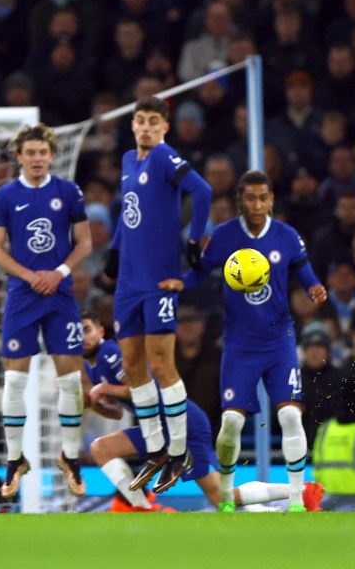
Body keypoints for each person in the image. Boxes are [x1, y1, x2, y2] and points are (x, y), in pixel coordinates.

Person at [174, 170, 327, 512]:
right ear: (240, 200)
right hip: (240, 344)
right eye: (250, 198)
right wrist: (178, 284)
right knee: (231, 422)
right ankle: (226, 496)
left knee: (289, 416)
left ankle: (297, 498)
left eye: (263, 197)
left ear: (271, 199)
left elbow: (305, 271)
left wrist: (314, 286)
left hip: (278, 340)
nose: (257, 204)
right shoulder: (225, 236)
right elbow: (199, 273)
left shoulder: (286, 236)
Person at [80, 314, 324, 512]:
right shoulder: (92, 368)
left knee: (221, 497)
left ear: (101, 332)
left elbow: (149, 391)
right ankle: (142, 507)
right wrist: (96, 404)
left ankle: (301, 492)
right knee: (102, 448)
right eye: (77, 333)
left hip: (182, 422)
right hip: (158, 427)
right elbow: (116, 413)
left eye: (87, 329)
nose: (83, 337)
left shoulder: (109, 353)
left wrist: (105, 388)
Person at [103, 96, 212, 494]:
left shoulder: (166, 157)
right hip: (129, 284)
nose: (146, 127)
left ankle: (179, 450)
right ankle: (155, 451)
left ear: (164, 128)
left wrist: (195, 240)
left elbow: (203, 191)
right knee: (133, 366)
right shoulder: (130, 162)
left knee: (162, 363)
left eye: (153, 121)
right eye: (140, 121)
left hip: (158, 280)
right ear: (132, 125)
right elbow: (129, 212)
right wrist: (114, 249)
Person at [0, 123, 92, 498]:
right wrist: (31, 276)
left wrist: (58, 272)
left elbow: (85, 242)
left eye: (42, 152)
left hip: (60, 294)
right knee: (14, 381)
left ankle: (70, 456)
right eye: (30, 153)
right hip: (23, 295)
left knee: (70, 380)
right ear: (19, 157)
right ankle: (16, 459)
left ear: (51, 155)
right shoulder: (4, 196)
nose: (37, 159)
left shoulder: (69, 192)